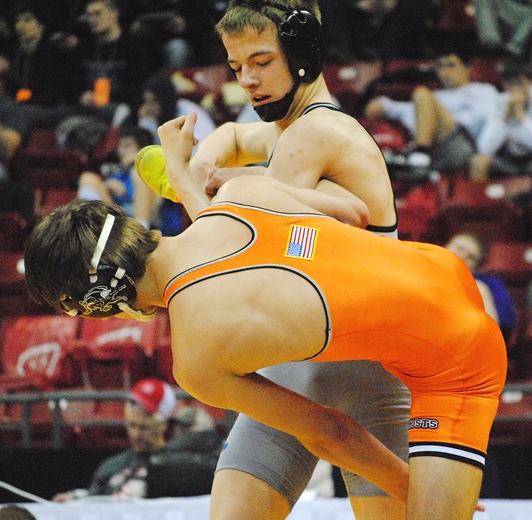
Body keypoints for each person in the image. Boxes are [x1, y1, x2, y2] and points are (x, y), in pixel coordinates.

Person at [24, 112, 507, 520]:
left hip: (456, 362)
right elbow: (357, 211)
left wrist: (419, 494)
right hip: (445, 270)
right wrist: (189, 179)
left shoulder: (195, 358)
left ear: (97, 299)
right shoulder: (239, 194)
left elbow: (330, 432)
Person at [172, 2, 411, 519]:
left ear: (302, 55)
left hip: (361, 370)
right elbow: (235, 136)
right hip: (294, 363)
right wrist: (206, 158)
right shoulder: (290, 128)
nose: (247, 81)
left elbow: (226, 243)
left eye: (261, 62)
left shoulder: (315, 133)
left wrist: (180, 172)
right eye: (237, 68)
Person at [364, 50, 499, 171]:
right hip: (436, 147)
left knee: (422, 94)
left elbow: (490, 120)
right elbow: (405, 110)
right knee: (420, 97)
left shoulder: (483, 90)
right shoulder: (436, 96)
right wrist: (383, 104)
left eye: (451, 66)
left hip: (464, 145)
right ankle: (417, 154)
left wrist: (441, 116)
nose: (445, 72)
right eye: (441, 67)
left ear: (467, 68)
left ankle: (420, 152)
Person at [52, 378, 178, 501]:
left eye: (144, 428)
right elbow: (94, 498)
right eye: (131, 425)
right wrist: (74, 500)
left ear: (164, 424)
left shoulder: (178, 466)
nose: (136, 435)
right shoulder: (112, 466)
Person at [133, 72, 216, 237]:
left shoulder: (189, 112)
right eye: (146, 101)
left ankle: (140, 231)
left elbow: (207, 153)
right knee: (138, 172)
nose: (149, 106)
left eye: (153, 101)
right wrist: (143, 123)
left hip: (195, 170)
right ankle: (143, 228)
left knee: (141, 178)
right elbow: (144, 154)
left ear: (165, 99)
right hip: (165, 171)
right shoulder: (149, 117)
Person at [77, 124, 155, 228]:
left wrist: (139, 161)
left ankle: (141, 232)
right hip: (122, 222)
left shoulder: (150, 170)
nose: (121, 151)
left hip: (150, 221)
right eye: (119, 146)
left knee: (139, 174)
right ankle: (98, 231)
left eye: (127, 146)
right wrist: (107, 186)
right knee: (88, 178)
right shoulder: (118, 174)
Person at [446, 232, 518, 344]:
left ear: (476, 266)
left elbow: (500, 324)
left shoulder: (483, 285)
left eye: (471, 257)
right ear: (445, 246)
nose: (463, 256)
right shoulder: (422, 271)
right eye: (460, 248)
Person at [470, 59, 532, 181]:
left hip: (531, 159)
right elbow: (485, 148)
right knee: (479, 161)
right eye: (510, 84)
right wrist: (506, 117)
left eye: (520, 83)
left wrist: (521, 117)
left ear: (531, 81)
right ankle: (479, 200)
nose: (516, 90)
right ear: (504, 84)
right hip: (510, 159)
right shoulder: (500, 102)